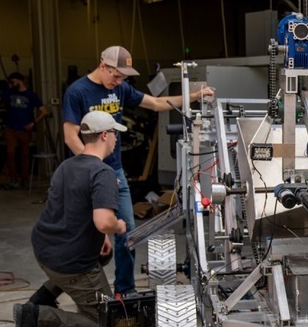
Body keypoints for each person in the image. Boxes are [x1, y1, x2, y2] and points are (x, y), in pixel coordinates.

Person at [60, 45, 215, 296]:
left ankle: (125, 291)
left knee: (127, 232)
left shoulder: (120, 88)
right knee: (83, 235)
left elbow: (155, 103)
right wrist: (93, 167)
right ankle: (72, 293)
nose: (119, 82)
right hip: (85, 174)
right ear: (102, 66)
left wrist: (195, 95)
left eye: (123, 77)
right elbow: (70, 137)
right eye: (115, 75)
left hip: (115, 172)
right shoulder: (77, 92)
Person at [13, 110, 127, 327]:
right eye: (115, 134)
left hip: (44, 250)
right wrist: (117, 227)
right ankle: (36, 315)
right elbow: (105, 220)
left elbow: (74, 208)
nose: (117, 139)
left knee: (103, 256)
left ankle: (44, 296)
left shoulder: (66, 166)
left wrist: (102, 236)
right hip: (70, 263)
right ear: (105, 135)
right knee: (106, 323)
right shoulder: (103, 173)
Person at [0, 72, 47, 187]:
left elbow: (44, 111)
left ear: (19, 81)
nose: (11, 84)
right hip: (11, 129)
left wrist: (33, 123)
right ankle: (13, 178)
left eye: (13, 81)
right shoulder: (10, 93)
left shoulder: (31, 95)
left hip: (24, 129)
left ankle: (24, 179)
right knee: (10, 153)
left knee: (24, 155)